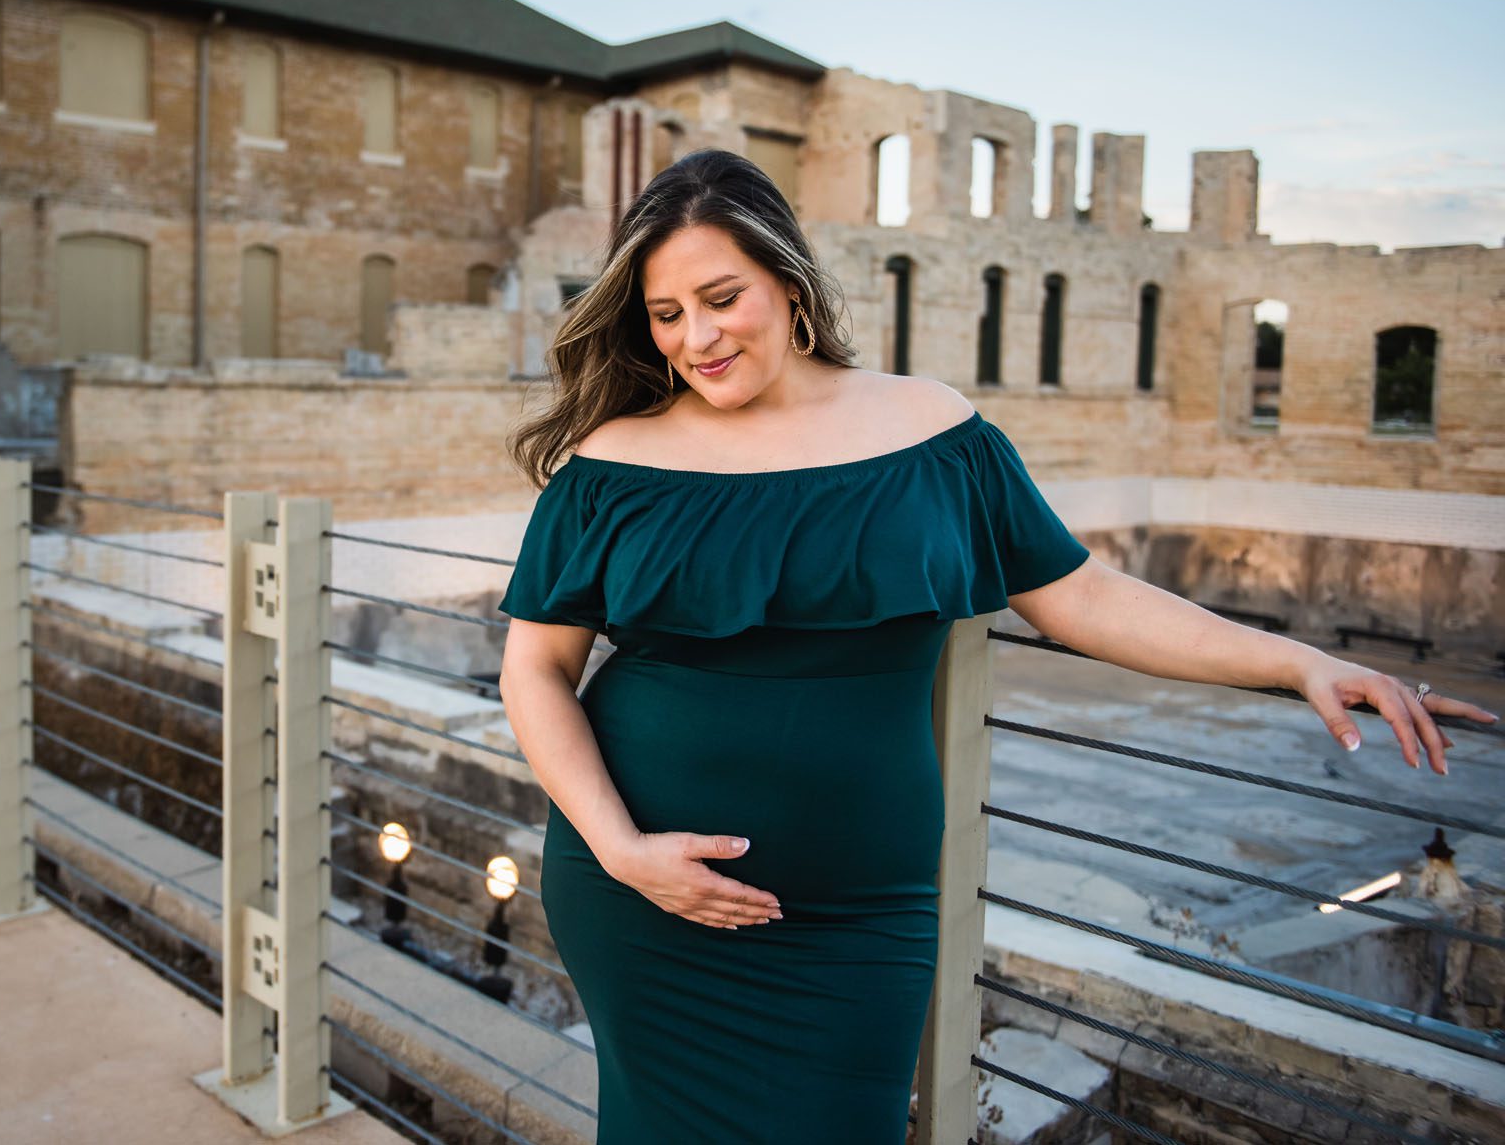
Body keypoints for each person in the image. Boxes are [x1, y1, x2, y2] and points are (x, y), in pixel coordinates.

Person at [492, 148, 1495, 1143]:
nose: (695, 338)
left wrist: (1297, 661)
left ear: (789, 286)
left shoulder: (932, 431)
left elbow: (1079, 595)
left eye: (721, 298)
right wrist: (622, 855)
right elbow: (535, 669)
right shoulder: (611, 462)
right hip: (639, 895)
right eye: (666, 316)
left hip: (855, 914)